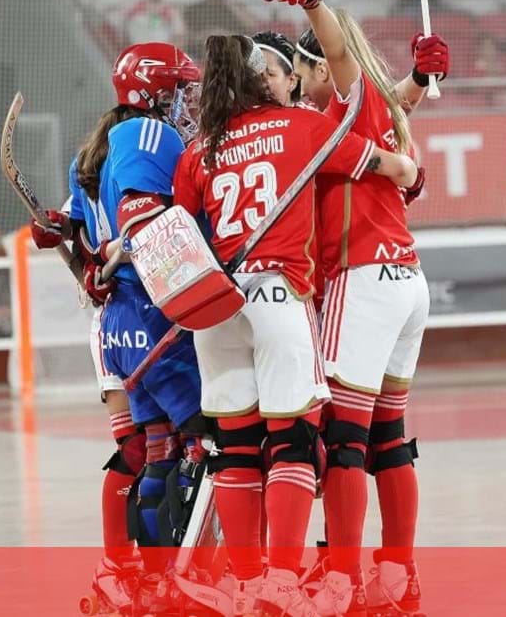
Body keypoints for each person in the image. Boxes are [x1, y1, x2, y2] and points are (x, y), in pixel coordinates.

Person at [172, 34, 417, 617]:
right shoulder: (300, 128)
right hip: (280, 299)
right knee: (295, 443)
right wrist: (407, 168)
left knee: (234, 448)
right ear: (267, 81)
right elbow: (379, 159)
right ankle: (283, 583)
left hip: (216, 304)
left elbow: (178, 234)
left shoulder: (198, 149)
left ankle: (247, 581)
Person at [266, 0, 438, 616]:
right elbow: (392, 100)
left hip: (361, 282)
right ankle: (396, 574)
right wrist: (419, 82)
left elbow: (336, 54)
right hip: (406, 280)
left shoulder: (341, 99)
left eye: (303, 72)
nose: (305, 85)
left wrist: (312, 2)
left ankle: (338, 578)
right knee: (389, 438)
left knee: (341, 438)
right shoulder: (375, 107)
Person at [27, 42, 206, 615]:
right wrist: (93, 254)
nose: (187, 102)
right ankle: (161, 575)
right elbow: (139, 226)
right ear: (155, 92)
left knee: (148, 450)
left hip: (116, 321)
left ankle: (131, 575)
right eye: (179, 89)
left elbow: (81, 237)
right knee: (193, 447)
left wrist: (81, 253)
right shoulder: (151, 139)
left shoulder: (95, 150)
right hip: (149, 310)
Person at [184, 0, 257, 59]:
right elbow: (186, 35)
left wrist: (225, 35)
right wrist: (208, 35)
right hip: (204, 49)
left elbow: (252, 26)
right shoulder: (193, 9)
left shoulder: (234, 4)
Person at [251, 30, 302, 106]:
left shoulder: (312, 117)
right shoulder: (237, 117)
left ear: (292, 81)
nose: (263, 84)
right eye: (255, 76)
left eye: (270, 74)